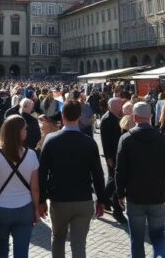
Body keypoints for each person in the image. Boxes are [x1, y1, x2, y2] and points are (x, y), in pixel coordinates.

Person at [38, 99, 108, 258]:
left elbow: (42, 172)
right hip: (83, 199)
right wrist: (102, 200)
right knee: (79, 245)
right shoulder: (89, 142)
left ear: (62, 116)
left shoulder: (51, 140)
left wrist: (41, 200)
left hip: (59, 199)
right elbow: (98, 174)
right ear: (80, 117)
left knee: (57, 239)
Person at [115, 102, 165, 258]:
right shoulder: (162, 139)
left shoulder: (126, 139)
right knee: (158, 237)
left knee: (136, 239)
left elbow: (120, 171)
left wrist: (120, 193)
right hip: (157, 196)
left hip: (135, 197)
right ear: (150, 117)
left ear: (134, 117)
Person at [0, 115, 41, 258]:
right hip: (24, 209)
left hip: (1, 209)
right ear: (18, 132)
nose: (27, 131)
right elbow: (35, 188)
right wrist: (36, 210)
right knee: (21, 252)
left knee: (1, 251)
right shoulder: (31, 155)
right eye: (25, 129)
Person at [99, 97, 127, 224]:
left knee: (113, 180)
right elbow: (105, 141)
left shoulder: (117, 117)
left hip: (119, 155)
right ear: (112, 106)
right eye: (118, 104)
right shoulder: (107, 119)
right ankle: (116, 209)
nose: (121, 106)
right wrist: (108, 157)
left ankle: (103, 199)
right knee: (116, 181)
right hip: (113, 156)